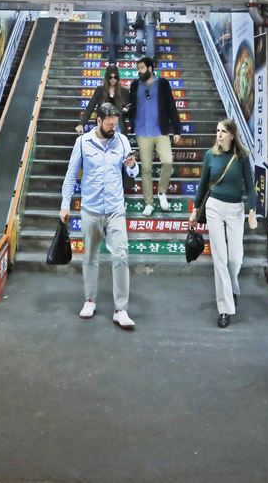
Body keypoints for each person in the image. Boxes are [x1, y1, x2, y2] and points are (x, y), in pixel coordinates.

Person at [59, 103, 138, 330]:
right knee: (90, 257)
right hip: (91, 208)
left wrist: (132, 166)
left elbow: (132, 171)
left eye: (116, 124)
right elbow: (71, 174)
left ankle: (121, 309)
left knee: (121, 256)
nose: (114, 128)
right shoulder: (83, 143)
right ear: (99, 121)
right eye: (110, 124)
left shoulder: (122, 140)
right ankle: (90, 300)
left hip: (115, 208)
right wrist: (65, 205)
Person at [190, 119, 257, 328]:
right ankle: (225, 309)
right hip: (214, 207)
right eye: (217, 131)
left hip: (236, 208)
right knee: (220, 258)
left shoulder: (242, 156)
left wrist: (253, 211)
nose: (219, 135)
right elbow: (203, 184)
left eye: (223, 131)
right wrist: (194, 210)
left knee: (235, 259)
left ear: (232, 135)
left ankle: (232, 289)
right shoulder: (211, 155)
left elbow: (251, 185)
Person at [127, 55, 181, 215]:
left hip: (160, 130)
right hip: (142, 131)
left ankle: (162, 192)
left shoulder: (163, 84)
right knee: (146, 169)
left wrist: (177, 130)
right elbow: (131, 104)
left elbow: (171, 105)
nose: (139, 71)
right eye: (138, 69)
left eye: (142, 68)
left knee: (168, 161)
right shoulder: (135, 85)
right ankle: (148, 203)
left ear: (150, 68)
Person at [77, 65, 128, 134]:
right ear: (107, 78)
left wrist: (126, 110)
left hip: (118, 125)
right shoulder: (100, 90)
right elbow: (90, 107)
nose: (113, 79)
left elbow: (129, 108)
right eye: (110, 77)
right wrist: (81, 124)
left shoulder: (124, 91)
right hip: (103, 123)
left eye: (115, 77)